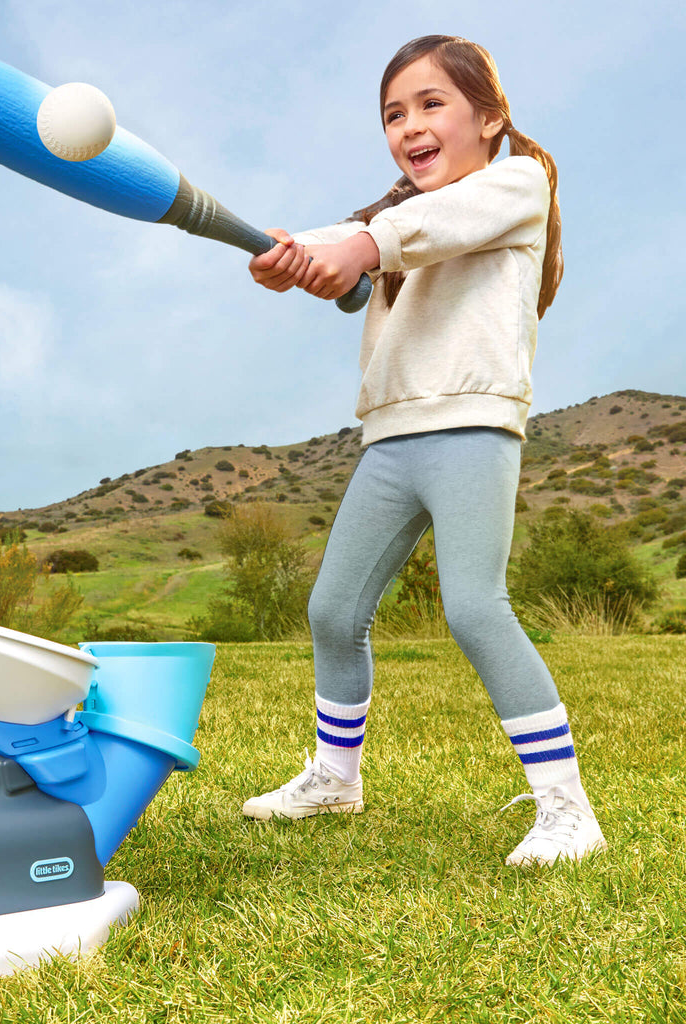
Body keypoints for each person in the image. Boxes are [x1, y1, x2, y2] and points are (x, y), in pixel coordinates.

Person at [241, 35, 606, 867]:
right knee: (333, 611)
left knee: (475, 608)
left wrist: (355, 248)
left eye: (432, 103)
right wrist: (292, 252)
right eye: (393, 113)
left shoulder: (516, 183)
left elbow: (418, 228)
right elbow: (359, 234)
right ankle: (336, 779)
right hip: (390, 438)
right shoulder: (392, 218)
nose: (410, 124)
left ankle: (567, 809)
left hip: (470, 428)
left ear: (489, 116)